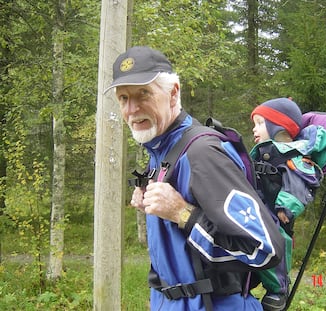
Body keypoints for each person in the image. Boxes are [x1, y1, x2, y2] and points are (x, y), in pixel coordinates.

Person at [104, 46, 285, 311]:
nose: (131, 109)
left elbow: (264, 249)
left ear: (173, 93)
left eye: (144, 94)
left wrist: (183, 214)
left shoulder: (202, 153)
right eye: (123, 98)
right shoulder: (159, 148)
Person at [250, 98, 326, 311]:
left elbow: (300, 183)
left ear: (278, 126)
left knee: (275, 247)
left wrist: (286, 208)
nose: (254, 129)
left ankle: (278, 289)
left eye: (260, 123)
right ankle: (247, 276)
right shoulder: (262, 152)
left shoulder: (293, 156)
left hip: (276, 216)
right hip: (255, 209)